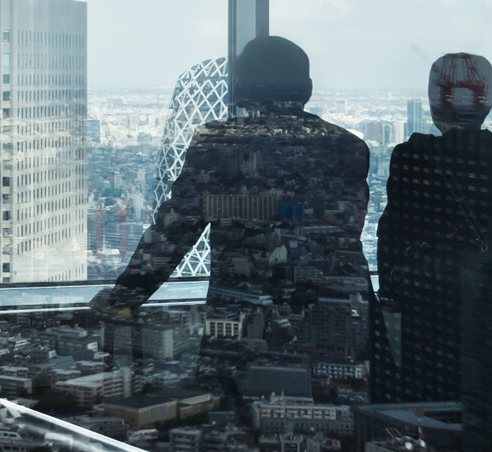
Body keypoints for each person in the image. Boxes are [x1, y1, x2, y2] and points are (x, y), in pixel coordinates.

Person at [93, 36, 373, 412]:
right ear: (305, 89)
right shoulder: (349, 148)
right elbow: (345, 233)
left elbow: (175, 230)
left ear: (240, 89)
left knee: (232, 415)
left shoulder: (219, 142)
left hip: (241, 316)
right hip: (336, 315)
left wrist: (122, 299)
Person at [371, 53, 492, 452]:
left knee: (438, 420)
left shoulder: (413, 157)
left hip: (434, 313)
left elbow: (391, 238)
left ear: (434, 102)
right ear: (487, 102)